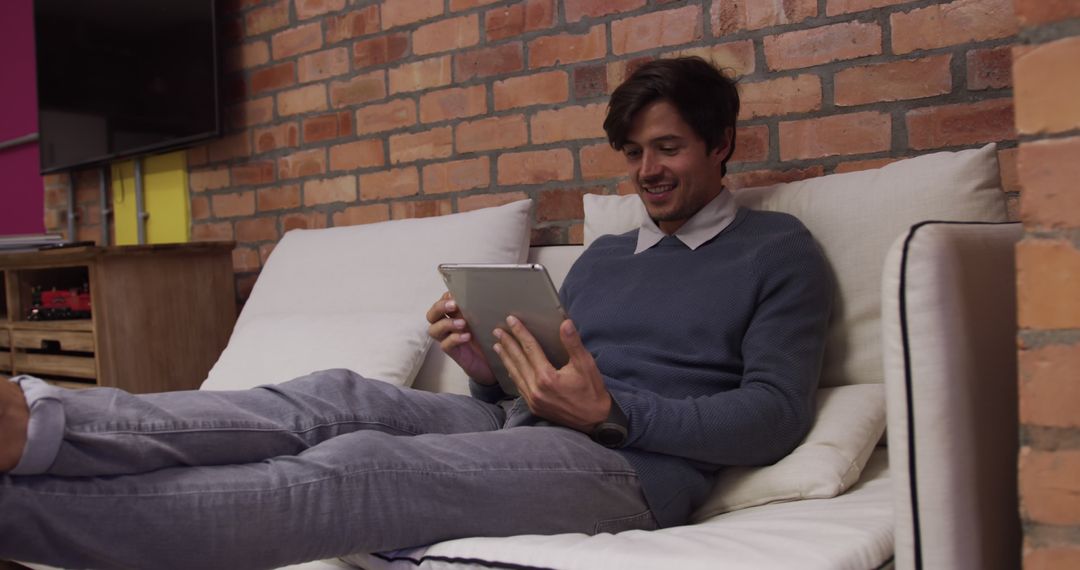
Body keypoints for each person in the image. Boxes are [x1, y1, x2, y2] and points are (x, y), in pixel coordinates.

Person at [0, 57, 832, 570]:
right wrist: (485, 366)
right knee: (336, 398)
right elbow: (528, 393)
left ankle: (22, 516)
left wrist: (614, 414)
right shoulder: (610, 252)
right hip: (527, 429)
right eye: (634, 153)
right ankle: (37, 422)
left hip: (633, 472)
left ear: (724, 142)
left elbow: (774, 417)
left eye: (669, 148)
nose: (647, 172)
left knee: (367, 465)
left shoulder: (777, 252)